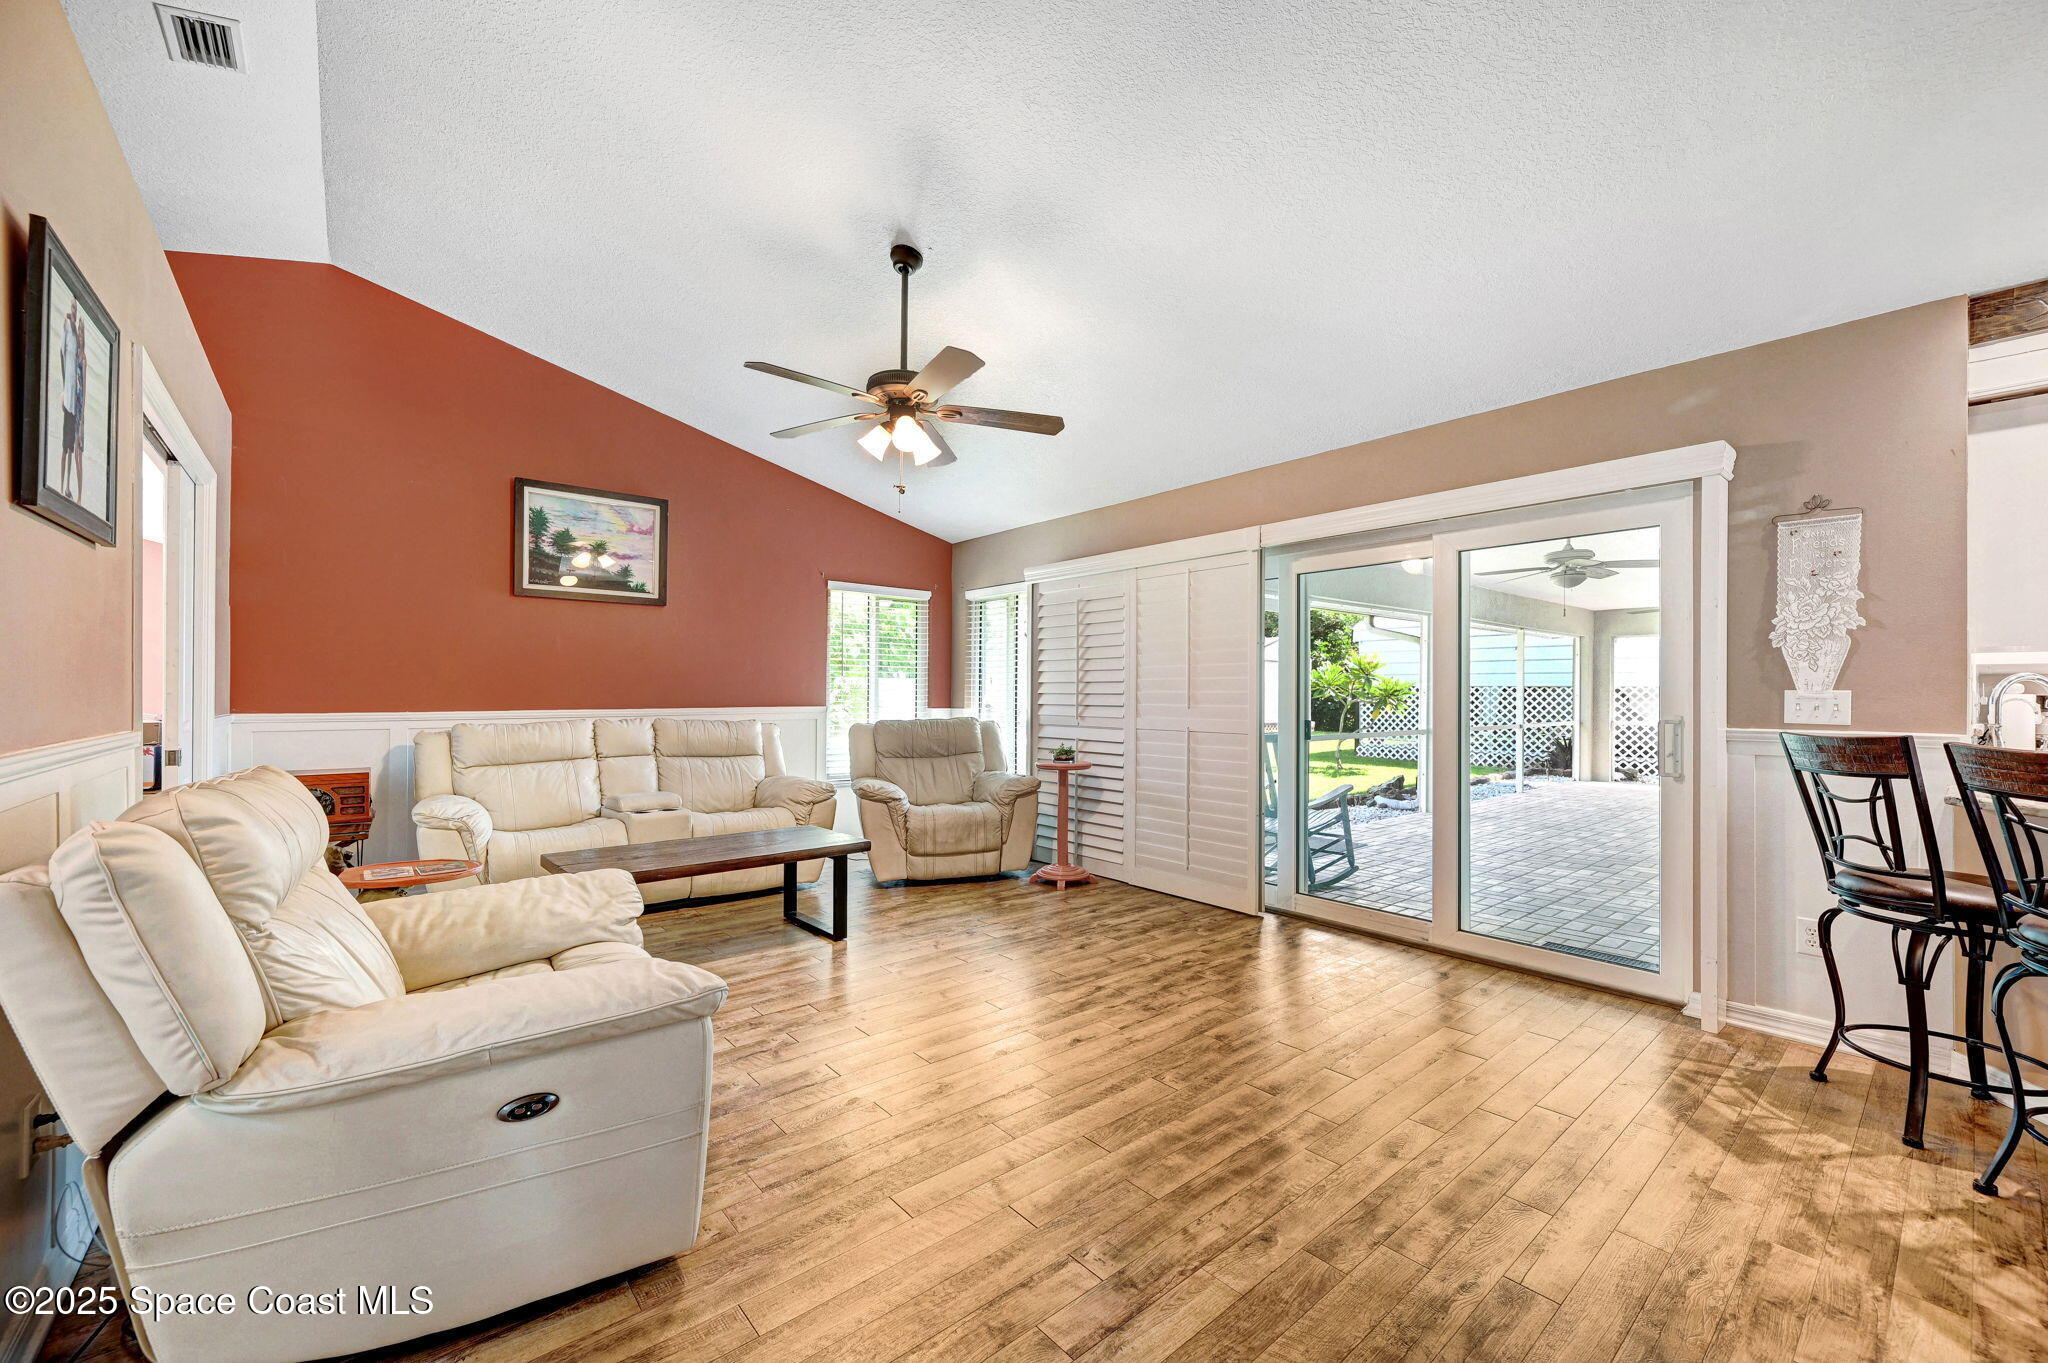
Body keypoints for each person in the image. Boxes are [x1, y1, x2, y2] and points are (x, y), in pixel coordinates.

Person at [56, 301, 88, 503]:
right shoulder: (73, 346)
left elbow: (84, 390)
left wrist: (82, 420)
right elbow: (63, 355)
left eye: (83, 334)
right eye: (80, 334)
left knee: (77, 453)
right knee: (67, 448)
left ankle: (80, 497)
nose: (81, 337)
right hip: (70, 405)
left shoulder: (82, 359)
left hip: (78, 410)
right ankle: (64, 487)